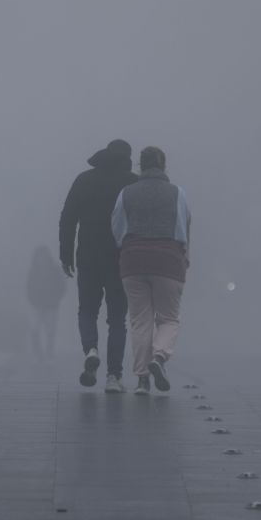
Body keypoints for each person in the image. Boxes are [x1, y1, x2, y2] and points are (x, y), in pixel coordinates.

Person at [59, 139, 139, 392]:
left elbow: (68, 218)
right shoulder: (132, 183)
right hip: (120, 258)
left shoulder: (84, 180)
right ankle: (114, 377)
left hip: (88, 257)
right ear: (126, 156)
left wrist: (66, 255)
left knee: (87, 311)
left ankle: (91, 349)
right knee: (117, 319)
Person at [111, 146, 190, 395]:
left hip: (133, 262)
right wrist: (183, 256)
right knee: (168, 318)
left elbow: (117, 227)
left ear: (140, 166)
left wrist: (128, 246)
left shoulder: (127, 193)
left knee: (139, 321)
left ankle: (142, 380)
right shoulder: (177, 193)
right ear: (163, 165)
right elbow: (181, 230)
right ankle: (159, 357)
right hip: (167, 260)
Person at [26, 245, 66, 360]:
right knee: (34, 329)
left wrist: (55, 299)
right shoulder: (33, 271)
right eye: (39, 256)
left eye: (43, 256)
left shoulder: (55, 270)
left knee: (50, 331)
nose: (41, 259)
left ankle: (49, 352)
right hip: (36, 306)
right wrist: (33, 301)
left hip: (51, 306)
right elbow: (29, 288)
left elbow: (61, 287)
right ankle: (38, 354)